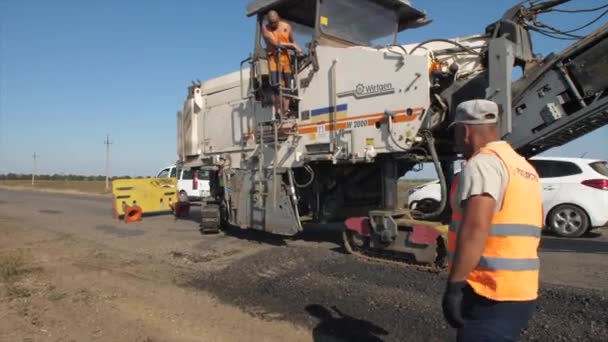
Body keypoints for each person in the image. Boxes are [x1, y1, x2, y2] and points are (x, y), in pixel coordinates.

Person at [442, 99, 543, 341]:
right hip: (521, 290)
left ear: (465, 130)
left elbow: (476, 227)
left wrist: (454, 286)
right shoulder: (521, 165)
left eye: (456, 131)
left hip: (489, 290)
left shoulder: (483, 163)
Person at [261, 10, 302, 119]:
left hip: (286, 59)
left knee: (287, 86)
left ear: (278, 18)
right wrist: (293, 46)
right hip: (274, 59)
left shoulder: (287, 27)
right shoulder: (265, 29)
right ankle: (278, 111)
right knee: (276, 87)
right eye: (271, 22)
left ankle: (286, 111)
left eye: (275, 22)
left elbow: (293, 40)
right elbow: (276, 43)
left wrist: (299, 49)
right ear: (268, 21)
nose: (273, 24)